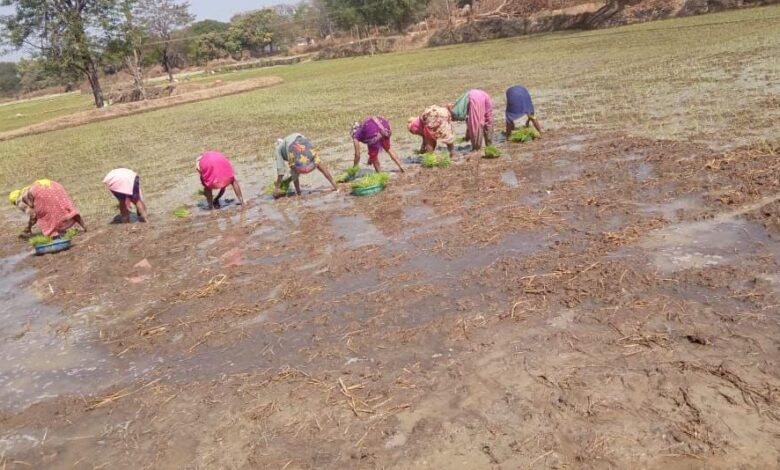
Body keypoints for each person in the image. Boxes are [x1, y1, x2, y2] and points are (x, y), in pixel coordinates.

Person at [8, 179, 87, 238]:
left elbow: (33, 216)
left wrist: (28, 228)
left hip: (40, 191)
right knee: (64, 206)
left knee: (45, 215)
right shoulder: (25, 190)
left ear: (14, 202)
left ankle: (53, 234)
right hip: (55, 185)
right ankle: (83, 226)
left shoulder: (19, 201)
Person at [273, 133, 338, 199]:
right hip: (303, 140)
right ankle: (335, 186)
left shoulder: (278, 150)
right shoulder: (286, 141)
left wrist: (277, 188)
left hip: (293, 146)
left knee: (294, 168)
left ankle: (298, 193)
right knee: (317, 161)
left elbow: (280, 171)